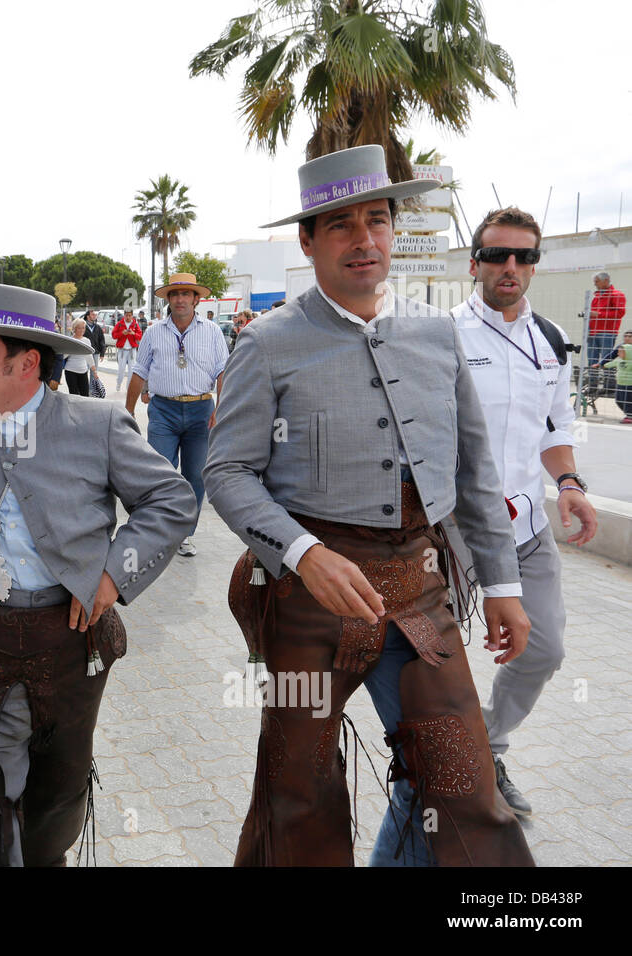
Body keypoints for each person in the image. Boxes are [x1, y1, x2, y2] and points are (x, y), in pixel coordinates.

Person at [203, 145, 534, 867]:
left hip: (420, 591)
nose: (365, 239)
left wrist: (504, 587)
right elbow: (226, 471)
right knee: (300, 793)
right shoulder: (266, 345)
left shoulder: (435, 332)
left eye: (377, 220)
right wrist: (302, 553)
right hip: (308, 600)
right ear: (308, 240)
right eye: (342, 225)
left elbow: (476, 472)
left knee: (465, 786)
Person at [0, 282, 197, 866]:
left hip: (71, 644)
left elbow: (171, 502)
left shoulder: (96, 425)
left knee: (58, 788)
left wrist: (112, 578)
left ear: (27, 363)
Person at [450, 206, 599, 818]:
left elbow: (553, 427)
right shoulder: (443, 335)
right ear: (475, 264)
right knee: (437, 660)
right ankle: (438, 775)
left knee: (544, 649)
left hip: (529, 530)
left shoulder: (551, 339)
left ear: (535, 265)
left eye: (525, 256)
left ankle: (486, 748)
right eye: (498, 255)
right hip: (454, 533)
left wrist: (567, 481)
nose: (511, 267)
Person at [126, 273, 227, 558]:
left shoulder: (212, 331)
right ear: (168, 299)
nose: (180, 299)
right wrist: (127, 411)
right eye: (175, 294)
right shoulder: (154, 331)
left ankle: (184, 533)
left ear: (197, 299)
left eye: (186, 294)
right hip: (163, 411)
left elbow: (223, 371)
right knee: (161, 473)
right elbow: (139, 370)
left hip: (201, 412)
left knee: (195, 476)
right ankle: (160, 533)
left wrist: (221, 409)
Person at [587, 271, 625, 361]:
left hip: (607, 332)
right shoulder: (596, 297)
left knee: (606, 359)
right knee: (592, 359)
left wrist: (599, 314)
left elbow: (620, 313)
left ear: (606, 280)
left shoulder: (616, 295)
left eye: (597, 281)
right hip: (593, 332)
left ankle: (608, 375)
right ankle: (593, 375)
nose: (595, 284)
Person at [112, 310, 143, 391]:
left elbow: (140, 336)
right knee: (121, 370)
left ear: (132, 316)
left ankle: (128, 387)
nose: (128, 317)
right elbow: (114, 335)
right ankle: (118, 383)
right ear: (124, 315)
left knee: (131, 371)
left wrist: (133, 334)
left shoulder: (135, 324)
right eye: (126, 315)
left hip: (132, 351)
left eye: (130, 315)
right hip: (122, 350)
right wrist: (122, 333)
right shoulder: (119, 324)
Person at [62, 318, 94, 395]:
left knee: (85, 395)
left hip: (83, 370)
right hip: (70, 370)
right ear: (74, 328)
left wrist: (94, 370)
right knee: (74, 395)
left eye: (83, 327)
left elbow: (89, 356)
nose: (82, 330)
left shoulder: (87, 341)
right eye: (79, 328)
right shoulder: (70, 340)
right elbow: (63, 356)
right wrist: (71, 348)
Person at [605, 345, 632, 421]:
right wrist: (602, 365)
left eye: (620, 352)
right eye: (618, 352)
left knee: (628, 401)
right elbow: (610, 364)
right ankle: (629, 414)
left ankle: (630, 416)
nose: (618, 354)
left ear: (628, 352)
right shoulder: (618, 360)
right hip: (620, 384)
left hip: (629, 385)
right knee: (619, 400)